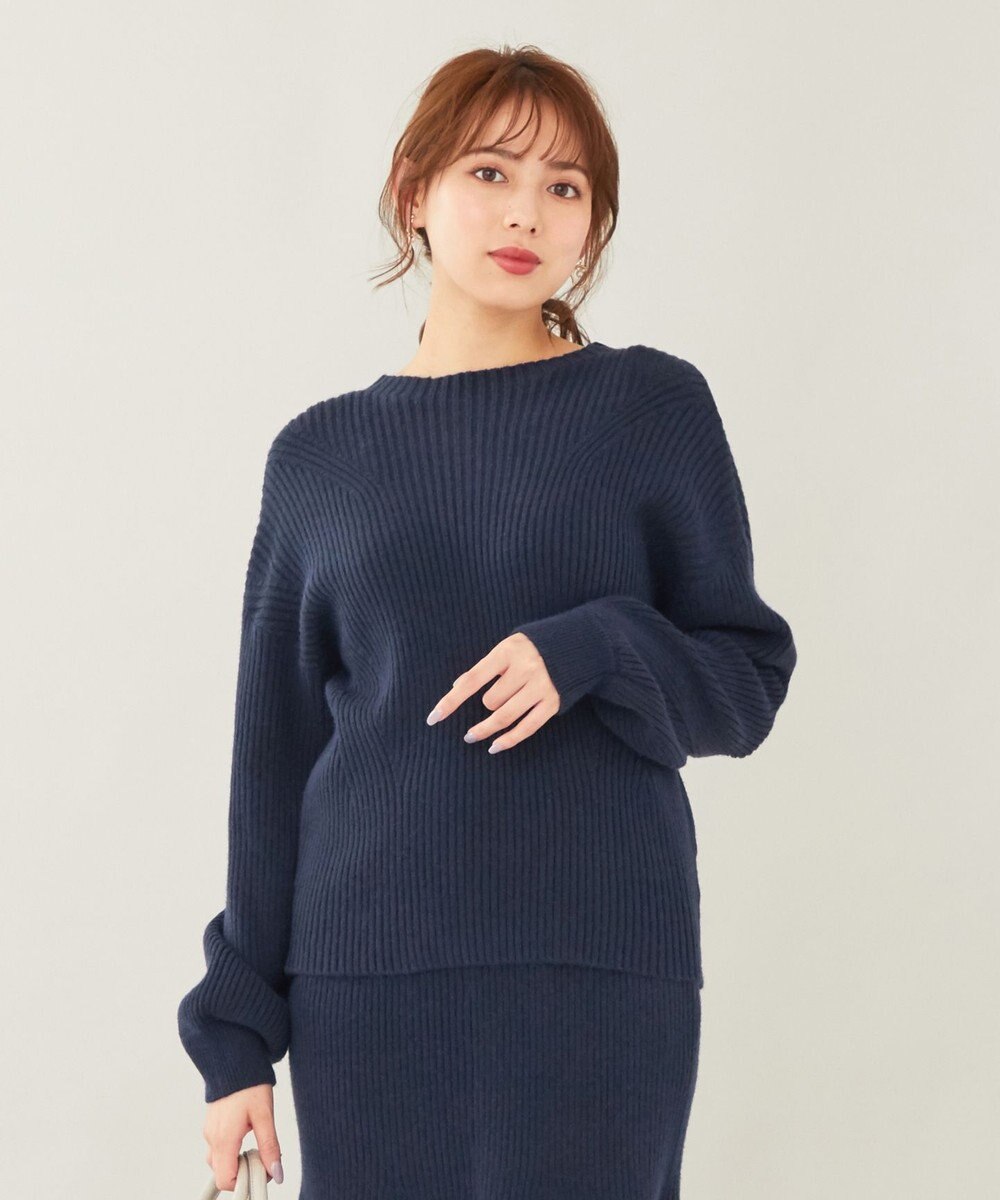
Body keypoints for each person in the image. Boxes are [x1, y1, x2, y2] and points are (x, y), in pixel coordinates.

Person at [178, 44, 797, 1199]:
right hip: (366, 982)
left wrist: (599, 644)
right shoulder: (318, 457)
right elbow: (271, 764)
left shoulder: (651, 408)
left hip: (597, 968)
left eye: (564, 186)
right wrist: (236, 1043)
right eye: (490, 172)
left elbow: (744, 683)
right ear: (414, 192)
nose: (526, 213)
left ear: (592, 224)